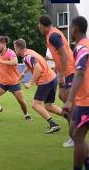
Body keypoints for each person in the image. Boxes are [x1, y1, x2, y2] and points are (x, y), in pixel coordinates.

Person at [14, 39, 65, 134]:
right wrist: (24, 73)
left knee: (35, 105)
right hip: (52, 78)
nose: (15, 51)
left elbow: (38, 68)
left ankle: (53, 125)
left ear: (18, 48)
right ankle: (70, 116)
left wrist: (30, 82)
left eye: (15, 48)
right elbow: (33, 64)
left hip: (45, 81)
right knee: (48, 106)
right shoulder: (30, 52)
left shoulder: (27, 56)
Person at [39, 14, 75, 146]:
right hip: (67, 71)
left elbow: (64, 54)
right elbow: (59, 56)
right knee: (64, 99)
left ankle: (75, 137)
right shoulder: (53, 34)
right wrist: (57, 70)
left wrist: (62, 75)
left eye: (39, 25)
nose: (39, 28)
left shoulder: (53, 36)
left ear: (42, 25)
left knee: (69, 105)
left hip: (70, 71)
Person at [63, 16, 89, 170]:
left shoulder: (81, 47)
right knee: (74, 131)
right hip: (82, 100)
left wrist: (69, 100)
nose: (69, 31)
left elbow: (80, 73)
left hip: (86, 101)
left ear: (75, 29)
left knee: (78, 137)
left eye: (70, 28)